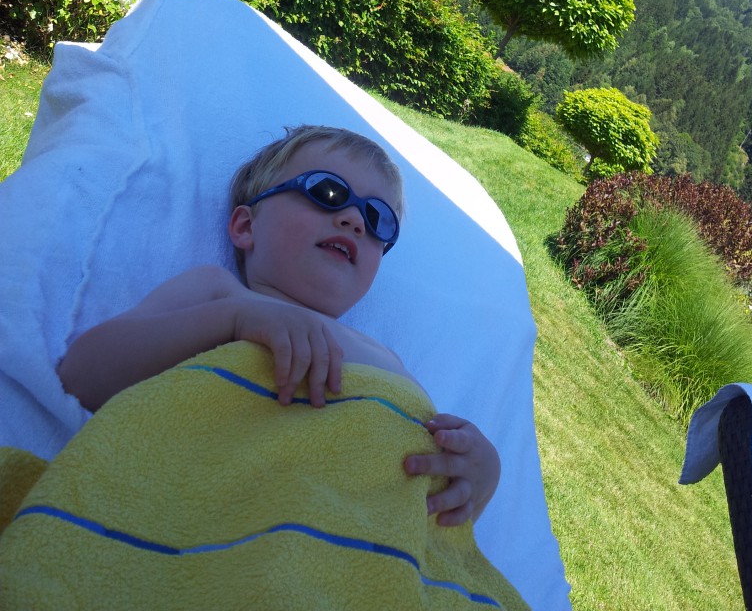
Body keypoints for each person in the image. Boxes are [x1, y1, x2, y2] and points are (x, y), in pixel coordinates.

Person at [57, 124, 501, 527]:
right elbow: (81, 375)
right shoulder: (223, 298)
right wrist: (234, 322)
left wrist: (479, 470)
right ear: (246, 227)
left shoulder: (386, 360)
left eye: (376, 218)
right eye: (327, 193)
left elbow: (421, 469)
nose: (352, 220)